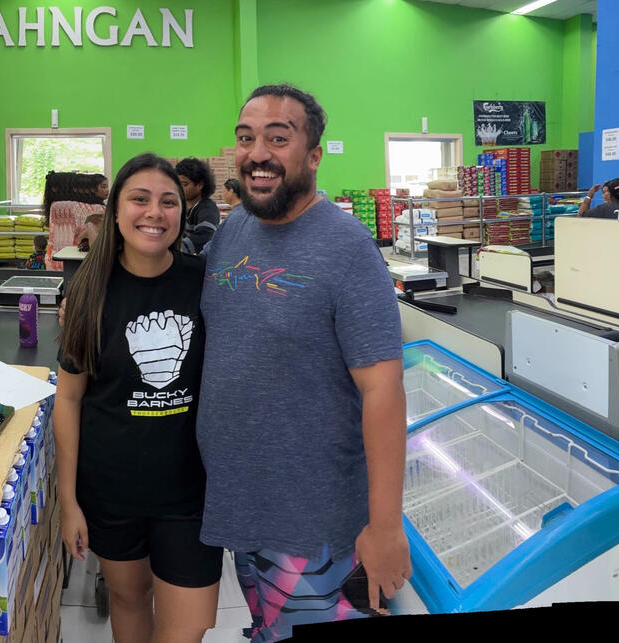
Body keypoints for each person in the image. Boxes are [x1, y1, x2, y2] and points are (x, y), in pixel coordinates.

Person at [195, 84, 410, 642]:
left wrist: (385, 526)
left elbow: (383, 390)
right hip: (245, 505)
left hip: (316, 522)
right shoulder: (233, 231)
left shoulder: (347, 247)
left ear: (313, 155)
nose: (257, 153)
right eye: (246, 138)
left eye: (278, 138)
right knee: (268, 629)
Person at [54, 153, 222, 643]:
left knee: (187, 626)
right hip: (112, 489)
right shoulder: (87, 290)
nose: (155, 212)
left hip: (191, 491)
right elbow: (68, 400)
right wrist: (69, 503)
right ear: (115, 211)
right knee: (128, 599)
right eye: (140, 199)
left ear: (183, 212)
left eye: (168, 201)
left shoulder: (205, 284)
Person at [175, 158, 220, 255]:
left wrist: (177, 250)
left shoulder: (208, 208)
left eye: (184, 184)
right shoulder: (182, 206)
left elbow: (206, 234)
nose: (179, 189)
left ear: (200, 185)